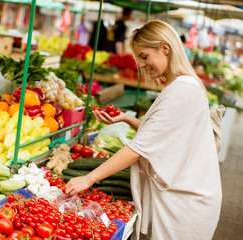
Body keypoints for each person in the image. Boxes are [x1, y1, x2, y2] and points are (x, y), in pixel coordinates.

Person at [65, 20, 222, 240]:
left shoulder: (181, 91)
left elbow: (137, 148)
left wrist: (89, 179)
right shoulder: (182, 85)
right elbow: (164, 136)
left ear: (165, 48)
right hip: (187, 196)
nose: (140, 65)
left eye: (144, 56)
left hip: (185, 204)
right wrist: (127, 119)